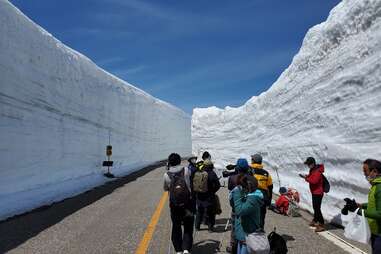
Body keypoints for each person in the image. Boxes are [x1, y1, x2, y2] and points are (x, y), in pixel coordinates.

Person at [163, 153, 194, 254]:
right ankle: (186, 249)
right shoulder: (186, 170)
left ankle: (178, 250)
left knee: (176, 226)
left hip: (174, 206)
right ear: (179, 161)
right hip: (187, 204)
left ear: (169, 162)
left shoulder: (166, 175)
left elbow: (165, 188)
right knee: (188, 226)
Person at [230, 173, 263, 254]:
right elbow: (234, 207)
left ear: (247, 187)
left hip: (248, 235)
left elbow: (240, 211)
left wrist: (237, 194)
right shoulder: (247, 196)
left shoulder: (254, 199)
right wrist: (232, 196)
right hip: (242, 234)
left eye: (241, 186)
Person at [226, 159, 252, 254]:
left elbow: (230, 191)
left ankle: (233, 246)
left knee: (234, 227)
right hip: (249, 208)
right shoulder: (252, 178)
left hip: (236, 208)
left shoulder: (232, 178)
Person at [357, 159, 381, 254]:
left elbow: (380, 213)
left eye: (365, 171)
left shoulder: (379, 187)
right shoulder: (375, 185)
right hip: (375, 231)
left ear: (374, 171)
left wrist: (359, 211)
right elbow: (374, 204)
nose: (364, 174)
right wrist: (362, 205)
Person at [299, 157, 325, 232]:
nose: (308, 166)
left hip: (318, 192)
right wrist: (306, 176)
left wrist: (306, 178)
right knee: (315, 207)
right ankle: (315, 219)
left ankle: (321, 224)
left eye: (308, 164)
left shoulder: (317, 171)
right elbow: (312, 177)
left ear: (312, 163)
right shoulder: (313, 170)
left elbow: (314, 181)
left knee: (317, 208)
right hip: (315, 192)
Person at [195, 159, 221, 232]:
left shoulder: (199, 172)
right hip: (209, 197)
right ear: (211, 165)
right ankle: (210, 228)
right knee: (210, 213)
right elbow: (218, 185)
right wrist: (212, 191)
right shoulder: (212, 173)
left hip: (199, 196)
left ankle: (197, 227)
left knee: (199, 212)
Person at [250, 154, 273, 228]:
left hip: (251, 197)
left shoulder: (249, 171)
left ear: (253, 161)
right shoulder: (266, 173)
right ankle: (260, 230)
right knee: (261, 216)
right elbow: (270, 187)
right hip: (263, 198)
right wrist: (269, 200)